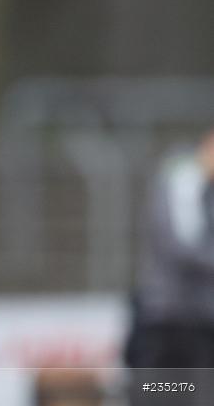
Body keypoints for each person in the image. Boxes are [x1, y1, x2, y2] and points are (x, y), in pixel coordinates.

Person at [126, 130, 214, 405]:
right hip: (168, 320)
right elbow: (182, 244)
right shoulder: (183, 179)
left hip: (199, 320)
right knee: (163, 394)